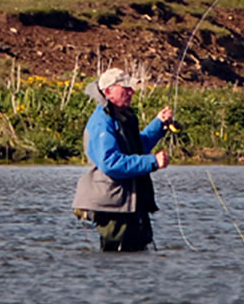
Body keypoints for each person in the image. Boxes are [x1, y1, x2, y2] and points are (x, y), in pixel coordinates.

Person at [72, 67, 174, 252]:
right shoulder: (102, 121)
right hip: (114, 206)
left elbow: (134, 146)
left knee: (136, 259)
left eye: (131, 87)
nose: (131, 91)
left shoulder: (120, 117)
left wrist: (158, 125)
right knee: (117, 260)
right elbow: (110, 163)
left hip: (128, 204)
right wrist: (152, 162)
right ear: (108, 91)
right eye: (125, 88)